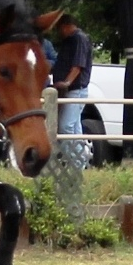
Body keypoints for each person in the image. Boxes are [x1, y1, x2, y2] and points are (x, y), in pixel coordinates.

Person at [51, 14, 92, 162]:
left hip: (75, 89)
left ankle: (74, 160)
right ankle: (79, 161)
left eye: (59, 29)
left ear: (66, 26)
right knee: (74, 127)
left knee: (66, 126)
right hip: (71, 90)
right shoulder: (70, 41)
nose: (59, 32)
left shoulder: (79, 39)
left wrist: (67, 82)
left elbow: (78, 65)